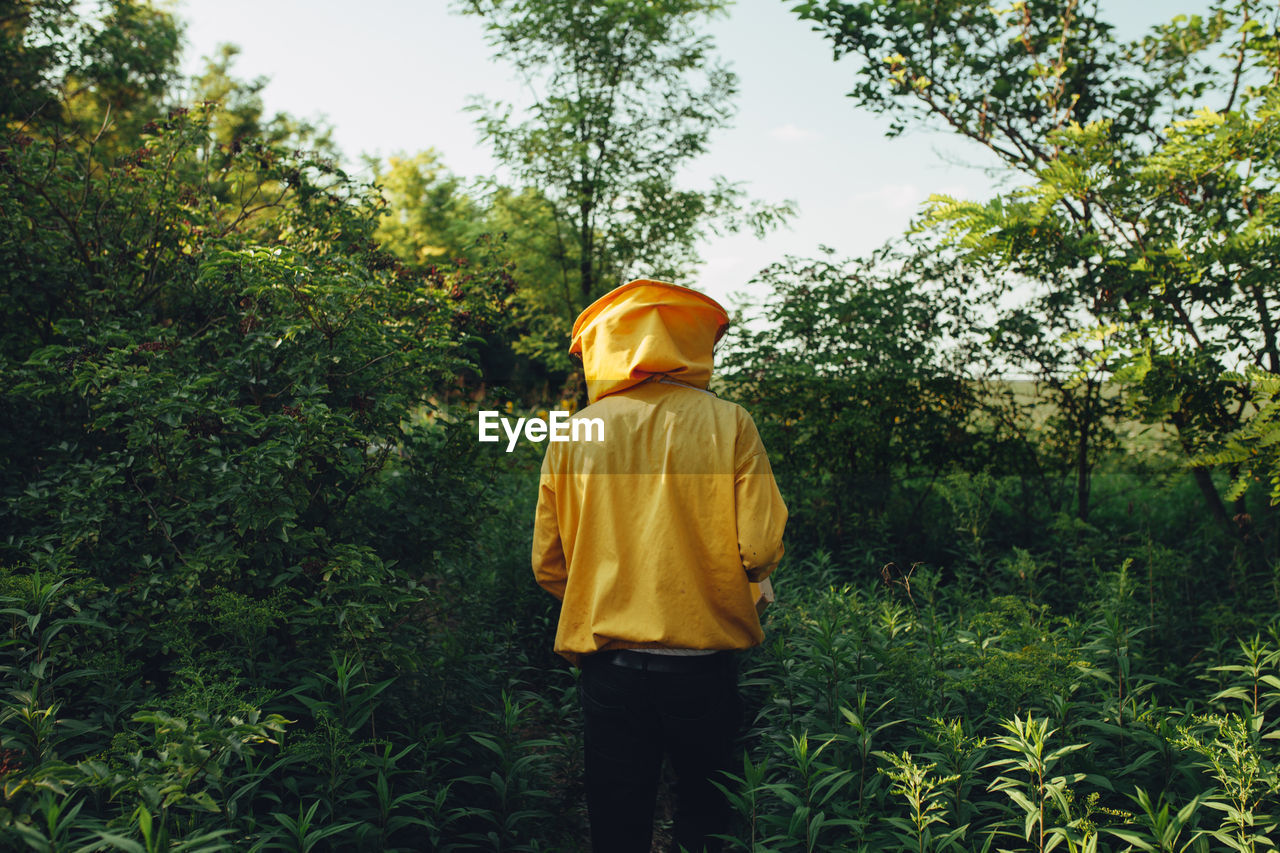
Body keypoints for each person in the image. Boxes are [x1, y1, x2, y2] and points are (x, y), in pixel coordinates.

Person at [531, 279, 787, 852]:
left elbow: (549, 565)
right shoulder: (731, 423)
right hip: (704, 670)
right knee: (705, 813)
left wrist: (611, 594)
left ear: (606, 347)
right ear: (691, 343)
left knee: (618, 822)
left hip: (611, 668)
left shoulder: (574, 433)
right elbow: (760, 551)